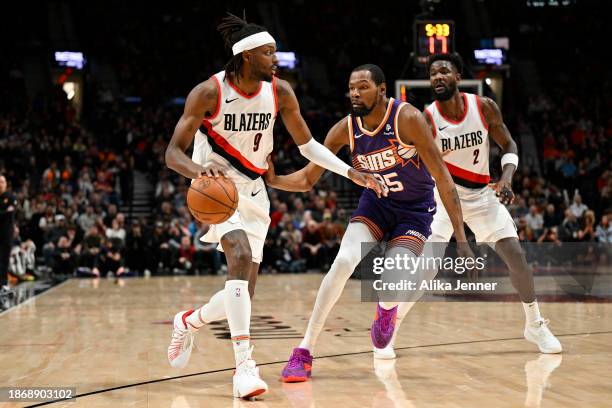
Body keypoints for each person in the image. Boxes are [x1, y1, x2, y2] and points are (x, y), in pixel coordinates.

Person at [163, 14, 384, 399]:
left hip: (254, 190)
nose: (275, 59)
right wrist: (200, 172)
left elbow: (308, 146)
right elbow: (172, 154)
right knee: (239, 253)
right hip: (217, 189)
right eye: (268, 53)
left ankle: (189, 320)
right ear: (247, 56)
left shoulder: (280, 92)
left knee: (243, 294)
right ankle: (244, 366)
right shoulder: (209, 93)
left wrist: (352, 173)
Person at [264, 64, 473, 382]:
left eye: (363, 86)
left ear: (382, 90)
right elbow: (308, 179)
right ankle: (303, 352)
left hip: (414, 212)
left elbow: (443, 180)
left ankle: (387, 309)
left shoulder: (408, 119)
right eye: (351, 87)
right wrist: (274, 178)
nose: (355, 93)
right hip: (375, 206)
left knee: (393, 278)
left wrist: (461, 238)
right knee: (343, 261)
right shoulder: (344, 129)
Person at [376, 53, 562, 359]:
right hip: (442, 198)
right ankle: (390, 328)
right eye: (432, 73)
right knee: (425, 271)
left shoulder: (483, 107)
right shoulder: (427, 118)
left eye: (443, 72)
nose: (437, 77)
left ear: (457, 77)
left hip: (481, 196)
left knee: (516, 257)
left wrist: (507, 178)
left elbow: (510, 145)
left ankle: (535, 325)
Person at [0, 175, 17, 307]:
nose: (0, 184)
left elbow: (9, 213)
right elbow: (5, 212)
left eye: (2, 181)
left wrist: (4, 212)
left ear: (6, 184)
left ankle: (4, 284)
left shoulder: (10, 197)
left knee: (4, 258)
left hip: (6, 233)